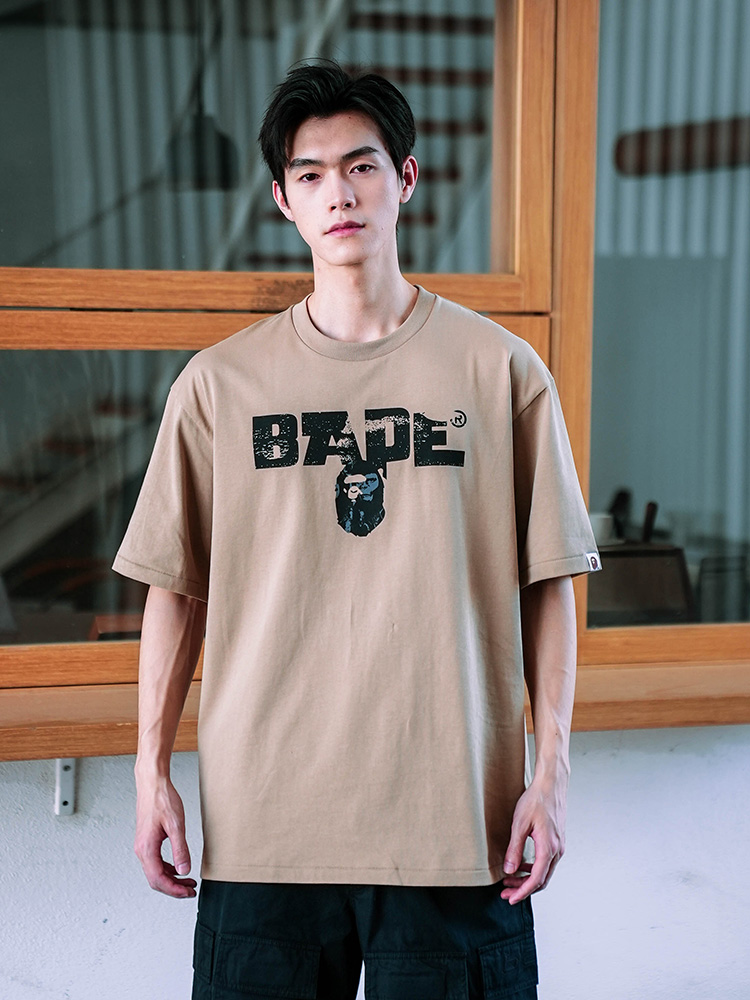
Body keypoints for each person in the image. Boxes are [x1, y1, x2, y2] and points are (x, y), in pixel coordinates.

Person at [113, 58, 602, 1000]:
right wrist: (150, 773)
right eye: (310, 174)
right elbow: (175, 590)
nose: (338, 193)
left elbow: (551, 582)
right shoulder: (219, 385)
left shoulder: (500, 371)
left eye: (362, 166)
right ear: (283, 201)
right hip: (267, 828)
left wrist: (552, 775)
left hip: (457, 825)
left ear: (405, 178)